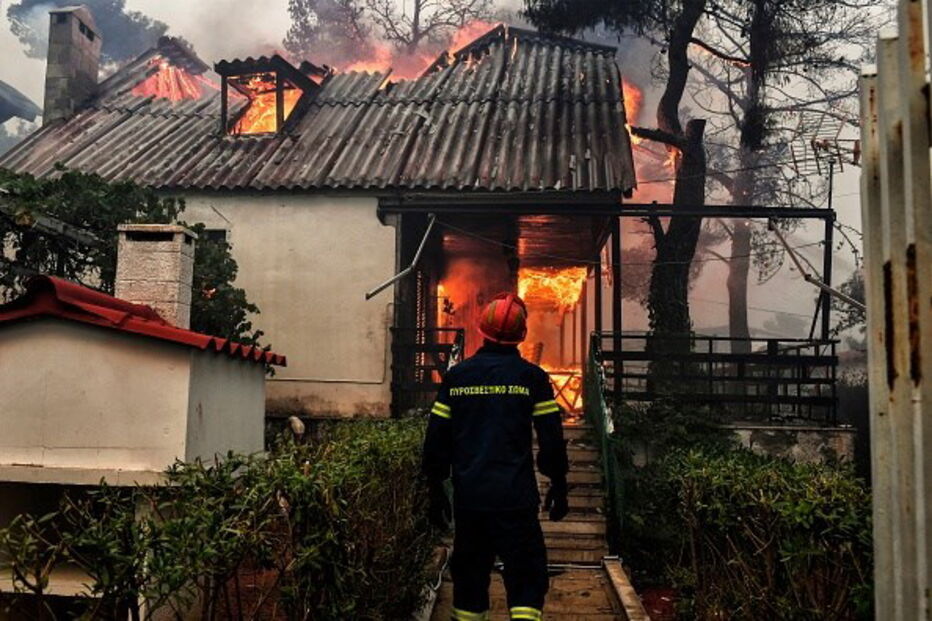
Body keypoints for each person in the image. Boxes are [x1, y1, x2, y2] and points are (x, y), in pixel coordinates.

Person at [422, 292, 569, 621]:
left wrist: (434, 489)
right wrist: (559, 484)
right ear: (522, 334)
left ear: (482, 329)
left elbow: (437, 439)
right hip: (516, 500)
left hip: (470, 500)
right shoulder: (532, 379)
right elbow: (551, 438)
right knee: (527, 579)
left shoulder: (457, 378)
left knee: (470, 580)